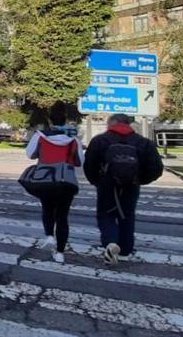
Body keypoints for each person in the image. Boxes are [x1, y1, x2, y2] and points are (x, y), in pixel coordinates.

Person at [84, 114, 163, 265]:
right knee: (127, 215)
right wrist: (140, 179)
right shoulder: (143, 142)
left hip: (106, 183)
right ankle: (125, 249)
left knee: (106, 215)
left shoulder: (100, 140)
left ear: (112, 123)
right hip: (132, 184)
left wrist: (97, 181)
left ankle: (110, 242)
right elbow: (156, 168)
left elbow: (89, 165)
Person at [24, 104, 84, 263]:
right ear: (66, 120)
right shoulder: (73, 138)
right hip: (66, 181)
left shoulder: (40, 135)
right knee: (63, 216)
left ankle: (49, 235)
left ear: (50, 120)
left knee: (47, 208)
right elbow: (80, 161)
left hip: (46, 178)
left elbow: (30, 154)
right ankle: (60, 253)